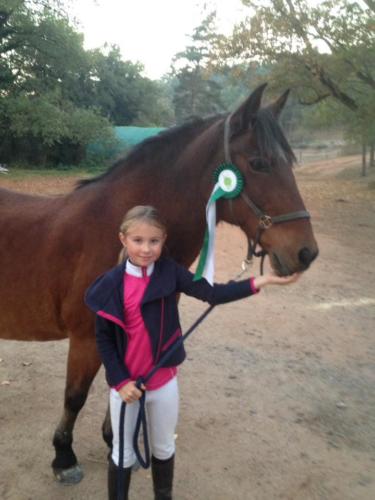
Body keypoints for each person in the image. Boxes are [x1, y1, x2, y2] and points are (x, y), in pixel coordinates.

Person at [85, 205, 300, 500]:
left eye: (154, 241)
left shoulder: (171, 273)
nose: (146, 249)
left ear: (163, 240)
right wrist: (121, 381)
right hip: (126, 390)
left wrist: (259, 282)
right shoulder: (110, 285)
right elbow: (104, 340)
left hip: (164, 384)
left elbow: (212, 294)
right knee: (122, 454)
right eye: (138, 241)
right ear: (123, 239)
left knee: (163, 447)